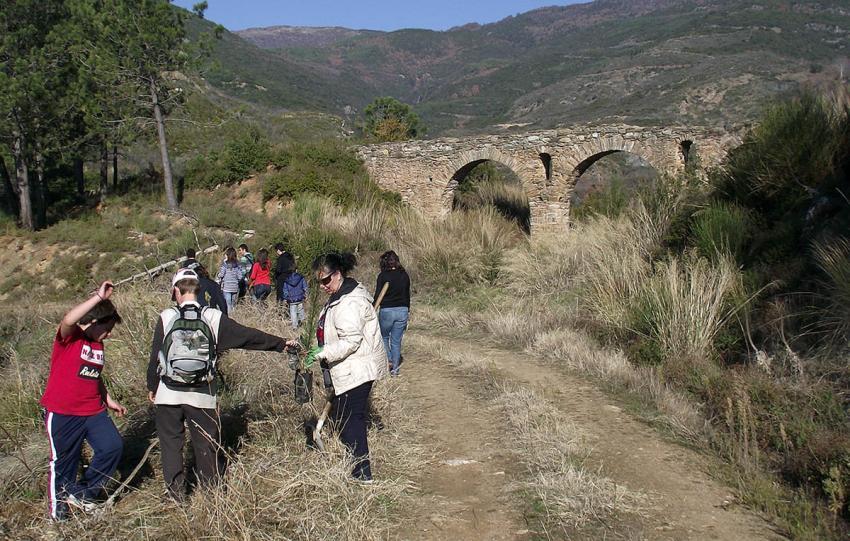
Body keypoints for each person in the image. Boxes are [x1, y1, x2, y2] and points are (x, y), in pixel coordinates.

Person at [147, 268, 288, 502]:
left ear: (176, 291)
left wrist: (152, 386)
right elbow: (248, 336)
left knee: (171, 445)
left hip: (168, 394)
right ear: (198, 290)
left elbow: (155, 358)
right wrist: (281, 344)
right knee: (206, 444)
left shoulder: (166, 316)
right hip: (202, 394)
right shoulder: (213, 317)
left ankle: (175, 494)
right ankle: (212, 495)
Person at [287, 253, 387, 482]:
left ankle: (362, 474)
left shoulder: (350, 301)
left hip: (357, 369)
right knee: (346, 417)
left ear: (338, 274)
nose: (323, 286)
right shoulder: (338, 297)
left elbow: (351, 341)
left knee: (353, 420)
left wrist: (321, 353)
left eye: (326, 280)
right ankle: (356, 466)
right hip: (346, 369)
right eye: (319, 282)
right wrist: (312, 347)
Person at [40, 281, 127, 520]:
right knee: (64, 464)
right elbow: (68, 320)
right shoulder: (71, 338)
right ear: (93, 322)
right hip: (63, 411)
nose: (108, 334)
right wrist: (99, 298)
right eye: (106, 328)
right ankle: (59, 518)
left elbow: (92, 375)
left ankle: (81, 493)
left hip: (92, 410)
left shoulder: (98, 346)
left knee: (112, 446)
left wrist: (108, 399)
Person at [375, 250, 411, 376]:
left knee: (384, 337)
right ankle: (395, 370)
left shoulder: (383, 276)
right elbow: (407, 295)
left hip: (387, 311)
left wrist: (373, 308)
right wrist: (408, 311)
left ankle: (389, 360)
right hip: (402, 310)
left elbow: (378, 295)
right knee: (396, 341)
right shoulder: (404, 275)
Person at [216, 246, 243, 314]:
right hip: (235, 287)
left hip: (227, 287)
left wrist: (218, 276)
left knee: (228, 304)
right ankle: (234, 316)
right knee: (233, 304)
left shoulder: (224, 264)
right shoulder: (237, 265)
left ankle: (230, 317)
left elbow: (221, 275)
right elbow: (240, 276)